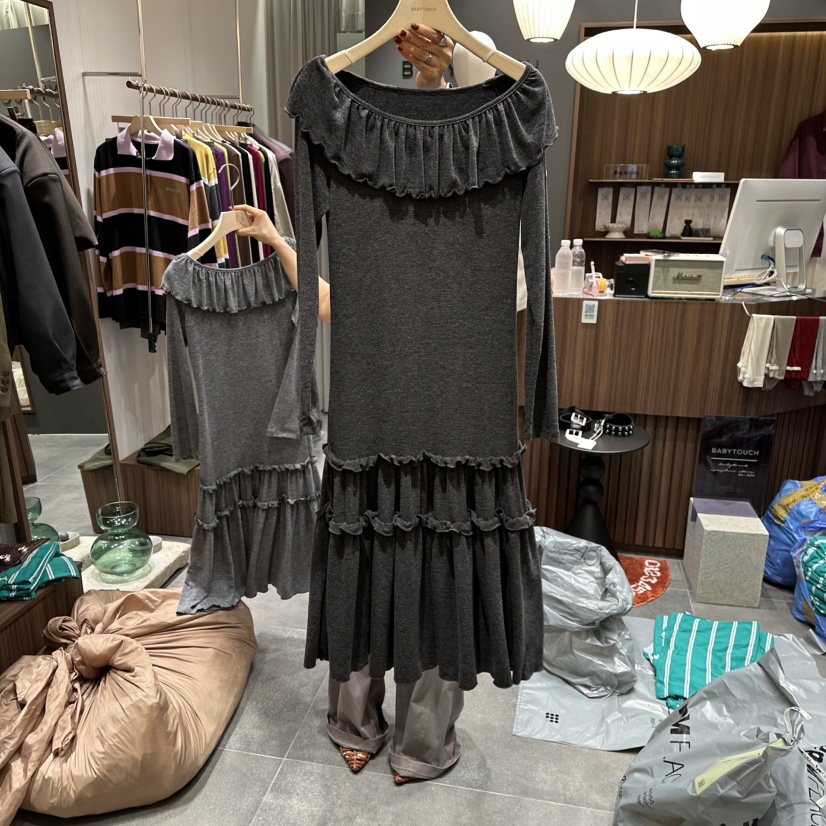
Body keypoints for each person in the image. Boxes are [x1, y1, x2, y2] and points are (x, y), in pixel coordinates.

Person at [235, 25, 464, 787]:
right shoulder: (355, 171)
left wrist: (438, 88)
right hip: (370, 416)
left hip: (452, 420)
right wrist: (278, 238)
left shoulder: (484, 184)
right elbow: (331, 300)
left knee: (436, 575)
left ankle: (422, 739)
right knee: (365, 567)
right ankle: (357, 719)